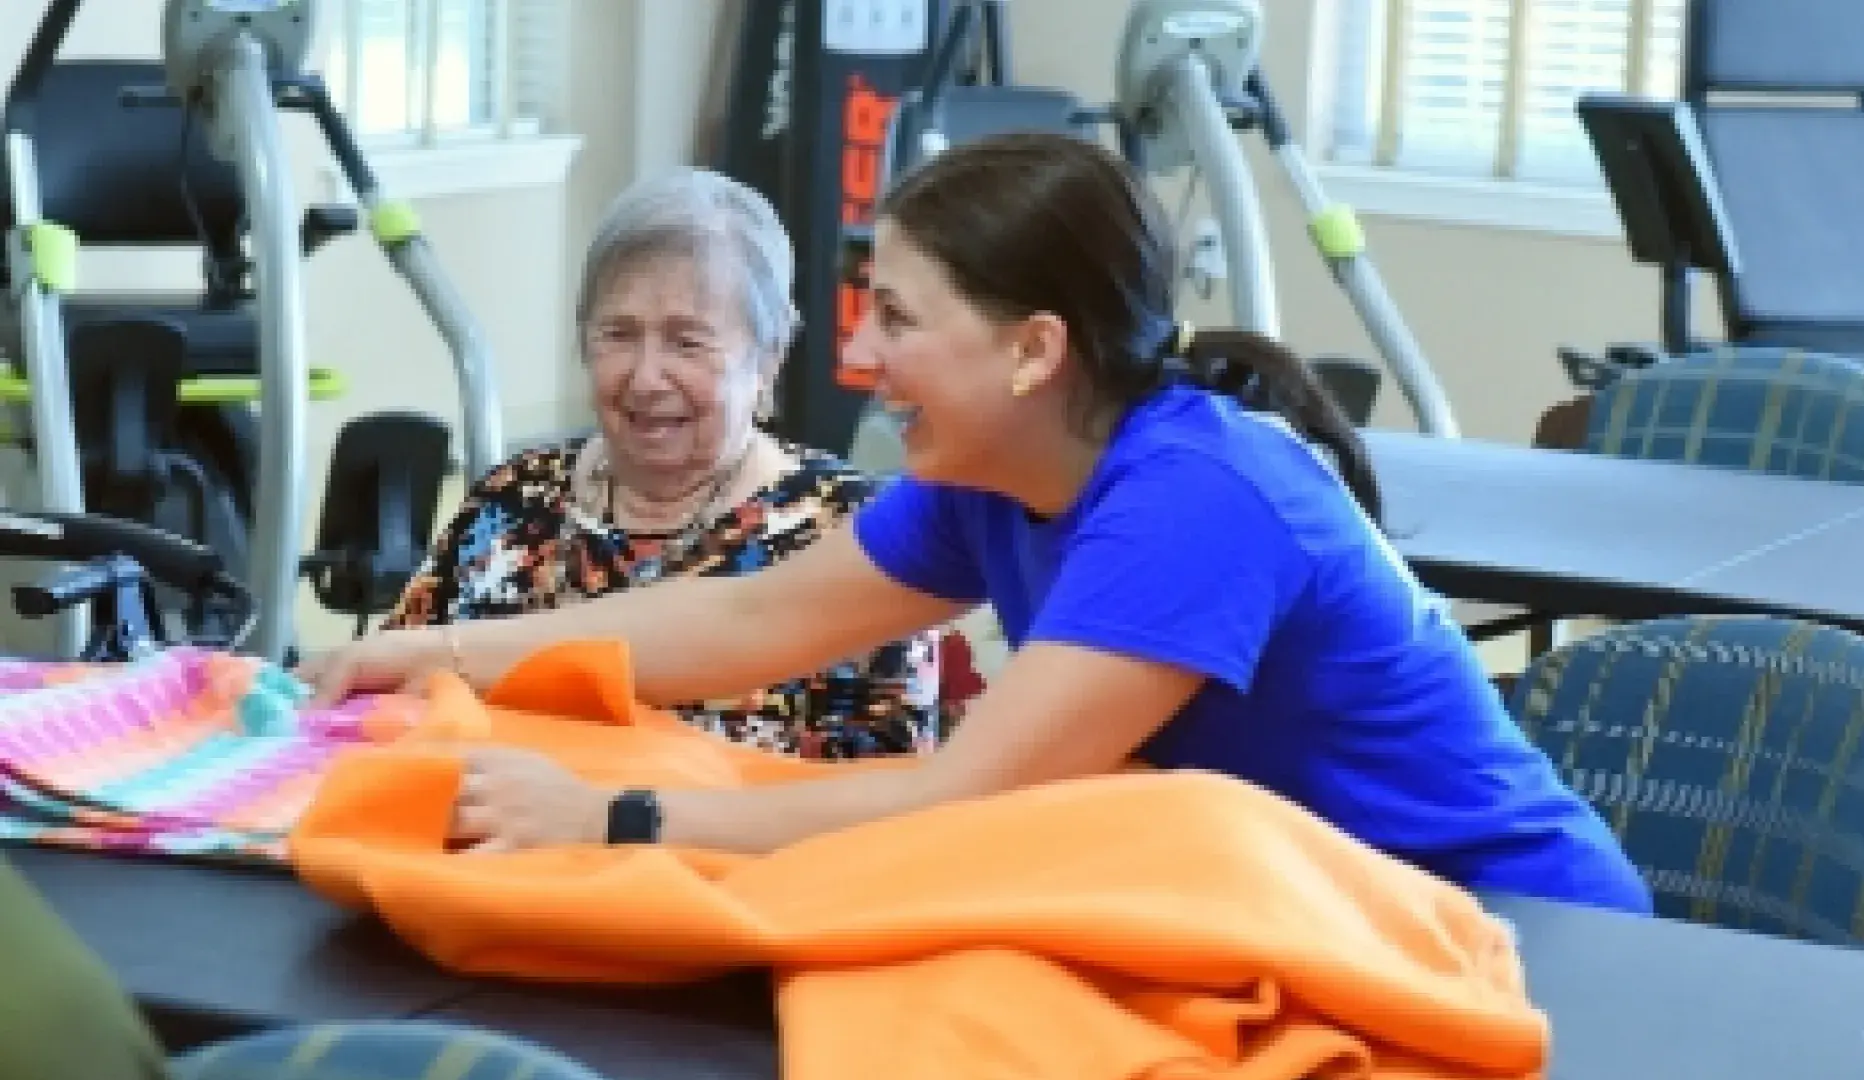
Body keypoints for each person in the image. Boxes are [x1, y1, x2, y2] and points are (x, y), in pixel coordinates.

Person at [301, 132, 1651, 915]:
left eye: (896, 316)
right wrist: (420, 658)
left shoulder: (1196, 503)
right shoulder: (995, 474)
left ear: (1032, 351)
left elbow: (958, 796)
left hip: (1522, 937)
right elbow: (750, 617)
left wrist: (612, 818)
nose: (864, 354)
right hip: (1306, 907)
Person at [382, 166, 948, 759]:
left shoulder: (852, 531)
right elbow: (390, 697)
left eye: (687, 341)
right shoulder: (512, 500)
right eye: (619, 335)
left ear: (768, 359)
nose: (646, 378)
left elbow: (884, 780)